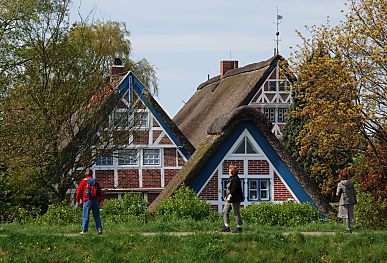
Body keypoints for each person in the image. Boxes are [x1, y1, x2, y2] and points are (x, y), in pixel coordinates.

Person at [75, 168, 104, 235]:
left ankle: (84, 231)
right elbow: (100, 192)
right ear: (92, 174)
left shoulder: (83, 182)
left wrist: (77, 201)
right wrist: (101, 200)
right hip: (96, 201)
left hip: (87, 200)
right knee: (97, 216)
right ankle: (99, 229)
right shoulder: (95, 182)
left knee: (85, 216)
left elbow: (79, 192)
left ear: (86, 174)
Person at [221, 164, 244, 232]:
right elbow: (228, 189)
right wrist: (226, 196)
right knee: (225, 211)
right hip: (229, 198)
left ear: (232, 171)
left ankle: (239, 227)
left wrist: (230, 196)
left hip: (235, 199)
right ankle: (226, 226)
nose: (228, 172)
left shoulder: (236, 179)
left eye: (229, 170)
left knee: (236, 212)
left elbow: (234, 189)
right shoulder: (230, 179)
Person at [336, 168, 357, 233]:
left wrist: (336, 198)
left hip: (344, 201)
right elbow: (354, 192)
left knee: (345, 215)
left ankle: (348, 228)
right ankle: (349, 227)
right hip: (351, 200)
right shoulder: (351, 183)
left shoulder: (340, 184)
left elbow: (337, 193)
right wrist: (355, 200)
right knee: (349, 215)